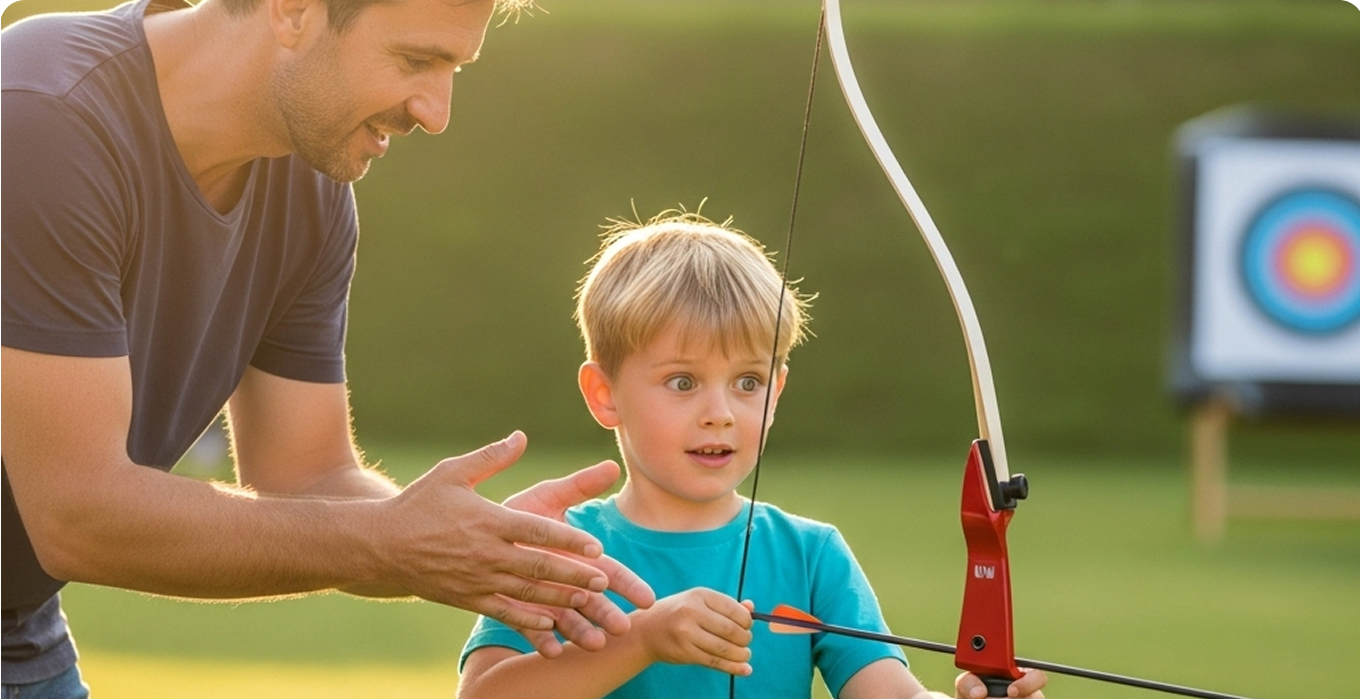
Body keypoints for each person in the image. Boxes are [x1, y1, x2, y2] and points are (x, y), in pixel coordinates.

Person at [0, 0, 657, 695]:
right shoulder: (45, 118)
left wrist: (480, 538)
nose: (436, 113)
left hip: (23, 627)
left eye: (454, 69)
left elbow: (309, 471)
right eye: (416, 60)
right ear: (292, 11)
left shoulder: (308, 184)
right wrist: (396, 540)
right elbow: (78, 514)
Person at [457, 212, 1046, 699]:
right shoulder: (560, 550)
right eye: (683, 382)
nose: (721, 413)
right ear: (604, 394)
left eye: (748, 382)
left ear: (777, 392)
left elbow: (890, 692)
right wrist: (641, 639)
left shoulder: (811, 555)